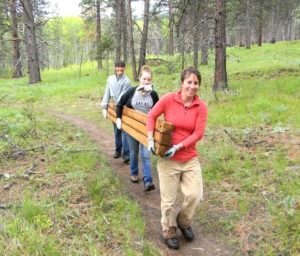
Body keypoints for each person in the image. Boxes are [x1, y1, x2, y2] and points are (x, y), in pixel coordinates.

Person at [146, 66, 208, 250]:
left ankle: (183, 221)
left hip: (189, 158)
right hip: (168, 160)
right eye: (189, 82)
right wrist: (150, 139)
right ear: (181, 83)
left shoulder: (201, 107)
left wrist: (179, 146)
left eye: (196, 83)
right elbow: (151, 116)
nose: (192, 86)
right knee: (168, 200)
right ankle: (169, 229)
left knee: (195, 195)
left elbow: (198, 133)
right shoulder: (168, 99)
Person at [116, 65, 159, 192]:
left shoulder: (154, 94)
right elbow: (120, 104)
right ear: (140, 78)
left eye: (149, 80)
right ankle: (134, 173)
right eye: (144, 79)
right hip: (133, 128)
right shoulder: (131, 91)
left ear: (151, 81)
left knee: (146, 155)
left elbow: (158, 110)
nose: (146, 82)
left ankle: (148, 181)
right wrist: (119, 118)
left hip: (147, 129)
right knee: (134, 152)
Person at [101, 61, 131, 162]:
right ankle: (118, 150)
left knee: (125, 131)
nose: (120, 69)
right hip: (114, 107)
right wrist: (104, 107)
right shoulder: (110, 79)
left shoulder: (127, 81)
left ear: (124, 68)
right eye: (118, 67)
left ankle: (126, 154)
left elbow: (123, 97)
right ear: (115, 68)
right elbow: (107, 92)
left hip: (123, 108)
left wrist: (117, 106)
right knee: (116, 130)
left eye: (122, 67)